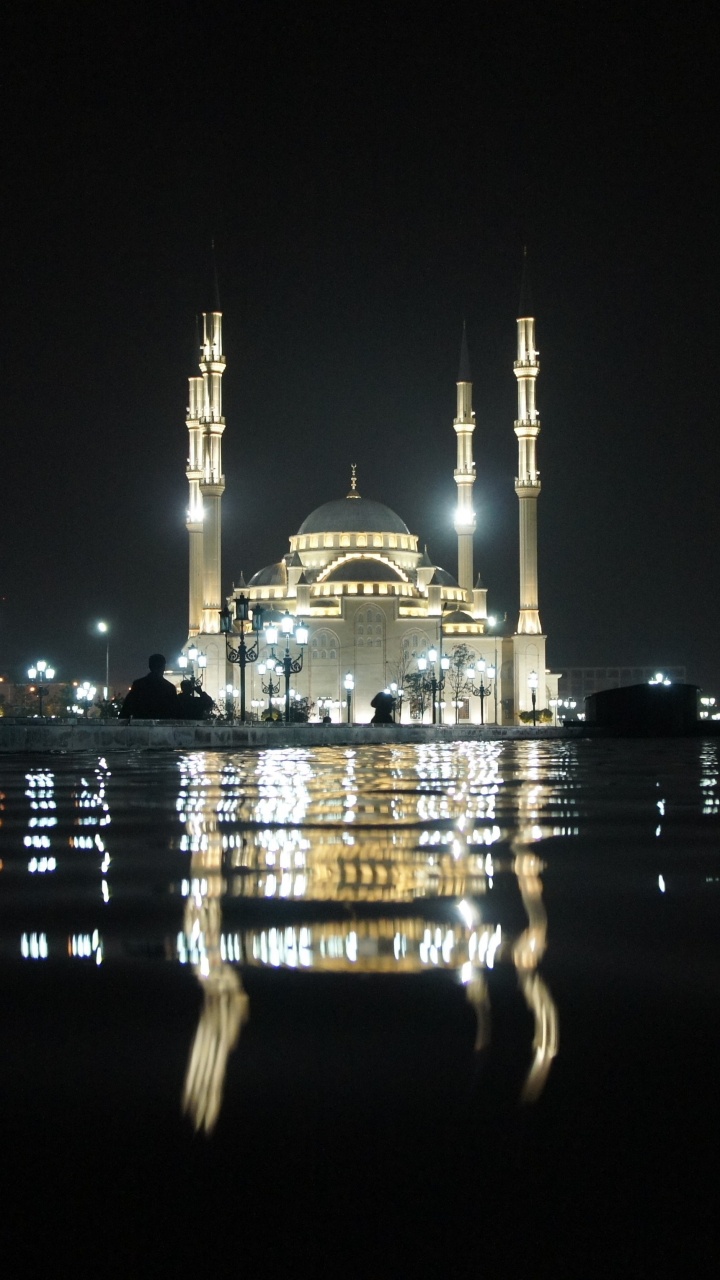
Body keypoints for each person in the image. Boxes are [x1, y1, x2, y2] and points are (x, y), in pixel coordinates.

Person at [119, 654, 179, 719]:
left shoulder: (139, 685)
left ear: (150, 666)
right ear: (163, 667)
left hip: (141, 725)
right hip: (163, 727)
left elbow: (127, 709)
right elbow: (176, 712)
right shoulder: (169, 688)